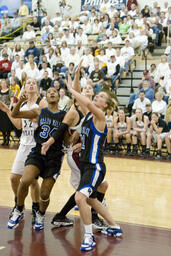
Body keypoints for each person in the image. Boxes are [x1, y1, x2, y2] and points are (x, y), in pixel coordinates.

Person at [7, 87, 67, 230]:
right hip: (38, 152)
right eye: (49, 91)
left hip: (54, 157)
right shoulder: (39, 112)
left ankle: (40, 213)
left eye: (55, 91)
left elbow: (68, 137)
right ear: (45, 97)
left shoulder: (65, 115)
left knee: (44, 193)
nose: (52, 92)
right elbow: (15, 114)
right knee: (25, 180)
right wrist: (19, 102)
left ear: (59, 97)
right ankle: (19, 209)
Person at [0, 78, 47, 224]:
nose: (31, 84)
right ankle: (18, 203)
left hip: (36, 145)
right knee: (14, 178)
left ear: (37, 87)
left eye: (34, 82)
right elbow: (19, 125)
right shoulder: (24, 105)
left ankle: (35, 207)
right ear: (24, 88)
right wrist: (7, 110)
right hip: (23, 144)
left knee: (32, 181)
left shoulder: (42, 102)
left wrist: (39, 119)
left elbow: (48, 120)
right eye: (28, 83)